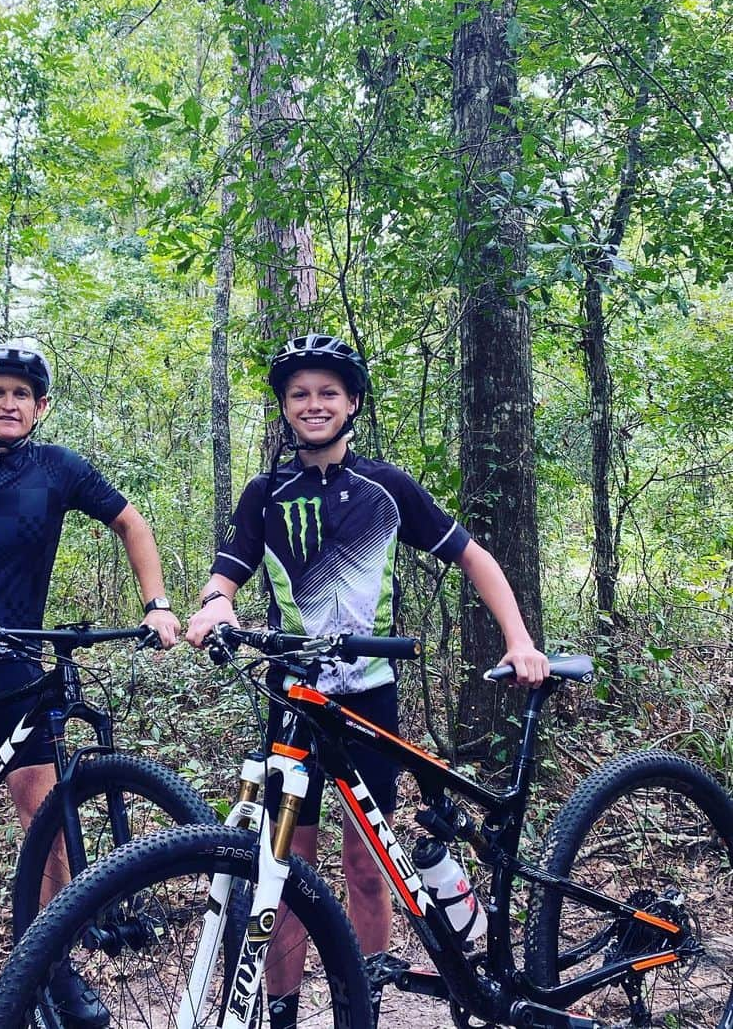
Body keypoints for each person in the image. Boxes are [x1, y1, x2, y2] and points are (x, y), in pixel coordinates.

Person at [185, 332, 548, 1029]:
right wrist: (216, 606)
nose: (314, 405)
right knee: (284, 874)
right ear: (285, 410)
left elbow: (474, 557)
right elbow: (224, 577)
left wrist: (520, 639)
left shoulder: (387, 488)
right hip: (293, 702)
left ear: (352, 403)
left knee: (363, 863)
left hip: (369, 702)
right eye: (300, 395)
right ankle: (284, 1012)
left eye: (328, 392)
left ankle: (364, 1006)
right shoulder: (266, 493)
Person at [0, 340, 180, 1023]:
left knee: (42, 812)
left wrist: (156, 603)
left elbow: (131, 522)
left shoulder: (59, 469)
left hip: (17, 662)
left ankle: (51, 960)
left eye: (23, 394)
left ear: (40, 408)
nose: (10, 403)